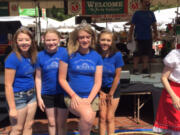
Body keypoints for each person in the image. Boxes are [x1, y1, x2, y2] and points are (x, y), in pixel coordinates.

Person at [59, 22, 103, 135]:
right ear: (77, 39)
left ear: (92, 38)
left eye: (87, 37)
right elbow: (62, 79)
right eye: (81, 37)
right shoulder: (68, 54)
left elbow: (98, 82)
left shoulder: (97, 56)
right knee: (87, 116)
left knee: (87, 128)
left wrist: (89, 99)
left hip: (92, 97)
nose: (85, 40)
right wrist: (73, 95)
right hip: (73, 97)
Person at [4, 27, 37, 135]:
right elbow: (8, 85)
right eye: (20, 40)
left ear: (31, 41)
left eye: (27, 40)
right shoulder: (12, 58)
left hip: (32, 95)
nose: (24, 43)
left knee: (29, 125)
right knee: (17, 129)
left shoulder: (31, 56)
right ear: (16, 42)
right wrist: (12, 108)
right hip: (18, 97)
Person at [35, 28, 68, 135]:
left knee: (61, 123)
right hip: (47, 94)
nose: (51, 43)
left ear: (59, 39)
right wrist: (39, 97)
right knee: (52, 123)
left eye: (54, 40)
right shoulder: (39, 56)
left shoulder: (65, 52)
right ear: (43, 39)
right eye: (48, 40)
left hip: (63, 93)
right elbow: (38, 77)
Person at [96, 30, 124, 135]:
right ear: (99, 40)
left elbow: (117, 75)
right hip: (99, 88)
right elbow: (92, 76)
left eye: (108, 40)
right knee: (102, 117)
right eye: (103, 39)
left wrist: (111, 93)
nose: (105, 42)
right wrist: (100, 92)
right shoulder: (95, 55)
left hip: (113, 88)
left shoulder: (117, 55)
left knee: (109, 117)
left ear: (112, 42)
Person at [153, 48, 180, 135]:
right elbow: (164, 78)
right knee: (175, 127)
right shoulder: (175, 54)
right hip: (174, 92)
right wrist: (174, 97)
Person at [128, 0, 158, 74]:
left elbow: (154, 25)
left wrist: (156, 34)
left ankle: (145, 68)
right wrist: (129, 36)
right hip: (138, 37)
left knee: (146, 53)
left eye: (148, 1)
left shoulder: (151, 13)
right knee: (137, 54)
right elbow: (132, 26)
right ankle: (135, 69)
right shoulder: (137, 13)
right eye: (145, 1)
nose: (147, 3)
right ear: (141, 3)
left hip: (148, 37)